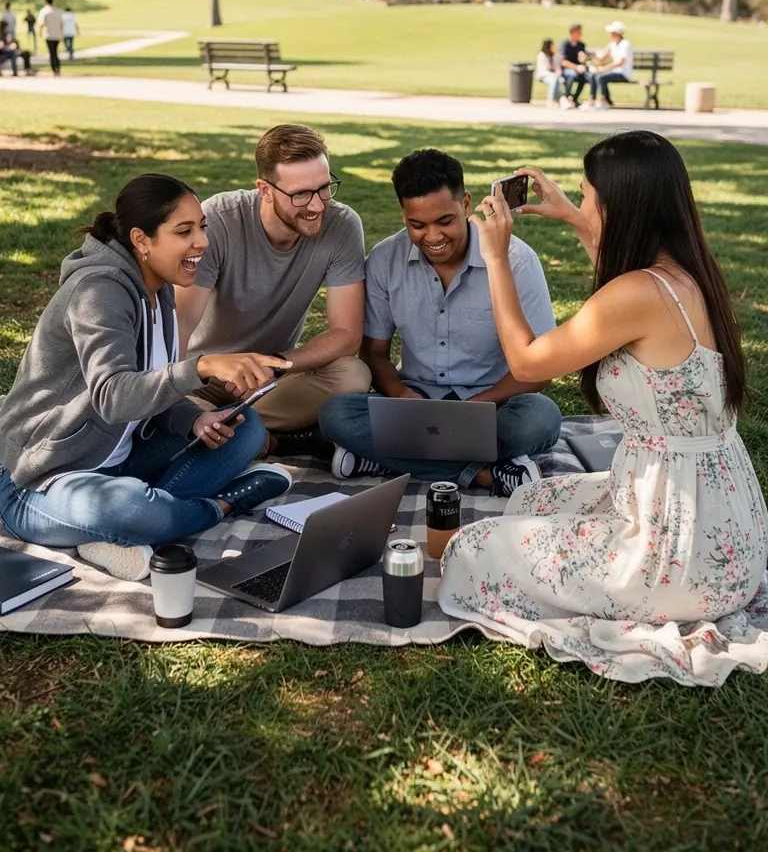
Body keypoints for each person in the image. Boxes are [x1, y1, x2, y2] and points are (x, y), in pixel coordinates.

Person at [438, 131, 768, 685]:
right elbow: (618, 280)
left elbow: (527, 362)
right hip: (723, 528)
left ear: (623, 208)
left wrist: (495, 256)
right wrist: (572, 215)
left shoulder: (638, 294)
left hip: (675, 550)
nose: (583, 205)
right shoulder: (688, 271)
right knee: (535, 497)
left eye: (588, 197)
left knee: (472, 550)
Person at [0, 173, 294, 583]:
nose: (201, 242)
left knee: (247, 430)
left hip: (119, 458)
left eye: (202, 227)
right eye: (184, 231)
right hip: (40, 479)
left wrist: (192, 420)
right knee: (133, 510)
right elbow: (113, 397)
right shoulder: (99, 292)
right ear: (142, 240)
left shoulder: (160, 286)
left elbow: (152, 387)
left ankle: (125, 529)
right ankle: (219, 505)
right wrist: (202, 367)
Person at [319, 150, 562, 497]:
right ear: (403, 214)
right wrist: (402, 396)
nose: (432, 236)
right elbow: (374, 353)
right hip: (414, 402)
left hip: (493, 405)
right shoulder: (385, 260)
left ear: (465, 204)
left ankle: (385, 459)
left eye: (444, 221)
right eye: (416, 225)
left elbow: (540, 370)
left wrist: (478, 406)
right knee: (335, 414)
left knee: (541, 418)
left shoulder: (517, 260)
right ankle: (483, 474)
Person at [175, 124, 371, 458]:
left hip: (272, 379)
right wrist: (215, 369)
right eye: (301, 194)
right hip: (203, 379)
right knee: (169, 420)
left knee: (352, 374)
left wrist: (277, 364)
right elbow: (179, 328)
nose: (318, 205)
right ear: (265, 190)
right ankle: (276, 440)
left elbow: (346, 335)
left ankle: (244, 437)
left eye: (325, 188)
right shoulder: (217, 222)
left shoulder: (341, 225)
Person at [586, 21, 633, 108]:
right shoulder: (613, 44)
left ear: (617, 33)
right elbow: (603, 54)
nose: (610, 34)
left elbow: (620, 62)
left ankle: (604, 100)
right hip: (614, 72)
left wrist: (604, 68)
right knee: (595, 75)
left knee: (601, 77)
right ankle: (592, 100)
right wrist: (596, 62)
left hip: (622, 73)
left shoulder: (625, 44)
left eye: (612, 32)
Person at [557, 23, 589, 109]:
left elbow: (582, 60)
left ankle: (575, 98)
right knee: (571, 75)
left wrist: (583, 59)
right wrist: (575, 67)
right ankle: (566, 97)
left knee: (584, 77)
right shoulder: (565, 44)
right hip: (567, 69)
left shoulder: (581, 45)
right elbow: (563, 61)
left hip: (578, 69)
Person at [37, 0, 64, 75]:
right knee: (55, 52)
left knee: (52, 52)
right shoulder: (58, 11)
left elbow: (41, 24)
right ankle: (57, 68)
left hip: (49, 34)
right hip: (57, 34)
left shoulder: (44, 11)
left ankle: (54, 69)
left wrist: (40, 32)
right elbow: (62, 24)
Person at [534, 38, 562, 106]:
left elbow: (557, 66)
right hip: (543, 75)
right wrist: (553, 75)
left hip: (553, 75)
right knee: (553, 81)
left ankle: (560, 99)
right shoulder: (541, 55)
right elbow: (543, 70)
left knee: (556, 80)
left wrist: (558, 72)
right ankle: (551, 100)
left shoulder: (554, 55)